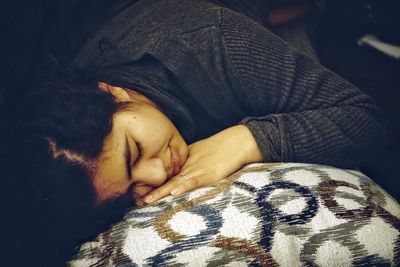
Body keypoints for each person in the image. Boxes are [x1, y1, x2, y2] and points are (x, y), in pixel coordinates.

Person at [6, 0, 384, 265]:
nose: (155, 176)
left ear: (113, 94)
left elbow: (369, 119)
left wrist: (244, 141)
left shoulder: (208, 38)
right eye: (127, 194)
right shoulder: (68, 152)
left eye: (134, 152)